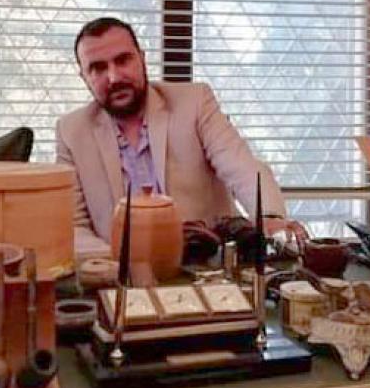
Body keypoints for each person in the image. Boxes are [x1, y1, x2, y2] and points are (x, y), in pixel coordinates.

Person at [56, 17, 288, 255]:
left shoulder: (194, 102)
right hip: (119, 269)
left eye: (123, 60)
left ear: (142, 58)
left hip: (209, 263)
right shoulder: (71, 131)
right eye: (98, 68)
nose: (114, 77)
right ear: (84, 76)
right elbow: (73, 226)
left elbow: (242, 167)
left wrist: (270, 218)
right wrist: (118, 265)